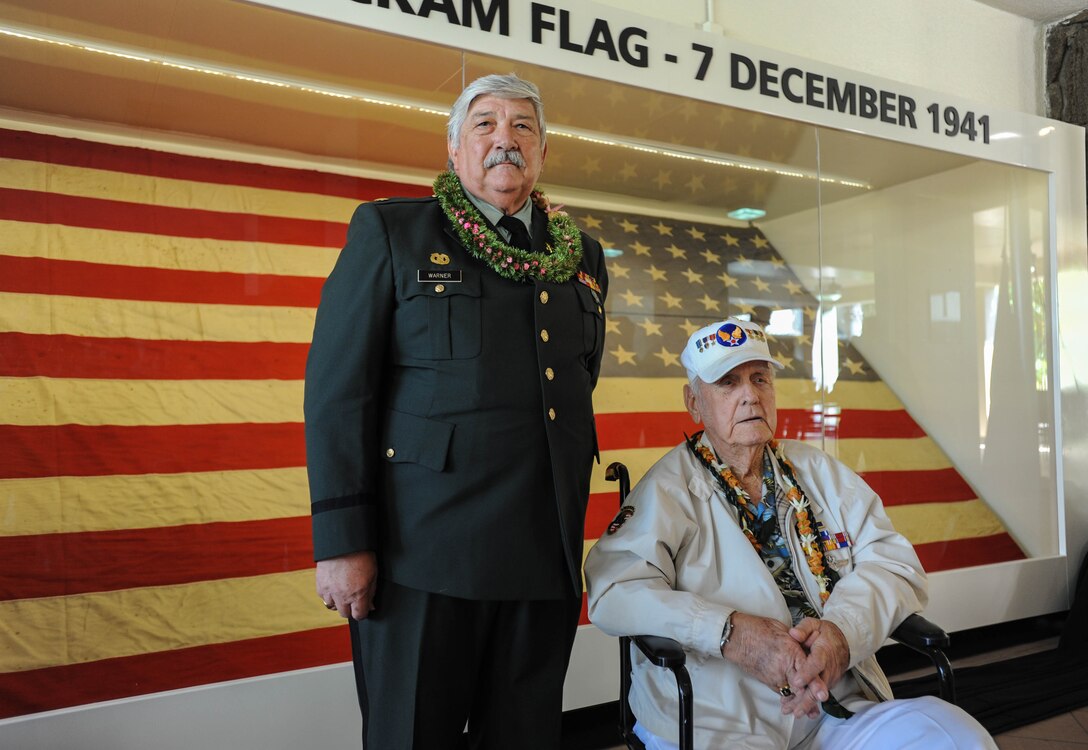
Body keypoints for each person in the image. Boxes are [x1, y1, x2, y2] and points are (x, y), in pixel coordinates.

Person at [304, 73, 608, 749]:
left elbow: (576, 385)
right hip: (423, 560)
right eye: (485, 124)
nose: (506, 139)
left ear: (544, 151)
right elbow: (338, 392)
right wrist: (343, 541)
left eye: (523, 126)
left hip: (542, 558)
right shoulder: (393, 232)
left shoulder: (580, 256)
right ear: (453, 149)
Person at [584, 317, 996, 749]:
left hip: (836, 703)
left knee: (955, 737)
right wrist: (728, 632)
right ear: (694, 403)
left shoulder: (818, 473)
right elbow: (614, 590)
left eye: (760, 378)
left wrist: (842, 633)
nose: (750, 395)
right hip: (717, 721)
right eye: (728, 382)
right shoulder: (667, 489)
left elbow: (892, 562)